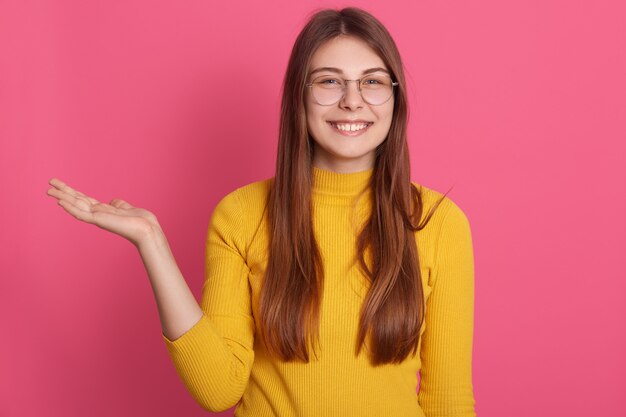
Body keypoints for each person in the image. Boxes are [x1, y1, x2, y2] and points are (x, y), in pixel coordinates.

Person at [47, 7, 476, 417]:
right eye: (329, 82)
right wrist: (151, 242)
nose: (352, 101)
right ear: (299, 96)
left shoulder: (439, 222)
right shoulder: (241, 215)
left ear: (394, 98)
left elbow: (448, 401)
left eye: (373, 82)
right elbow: (218, 389)